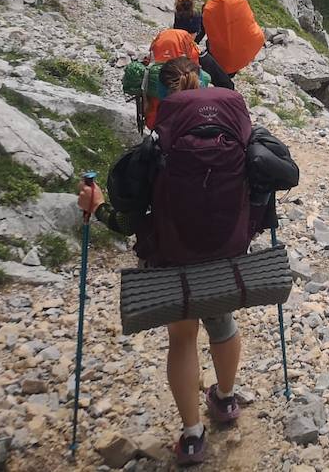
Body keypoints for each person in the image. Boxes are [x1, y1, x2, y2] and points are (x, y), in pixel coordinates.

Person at [78, 57, 247, 467]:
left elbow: (127, 221)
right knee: (223, 325)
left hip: (174, 259)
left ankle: (192, 436)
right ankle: (224, 400)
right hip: (225, 253)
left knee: (183, 338)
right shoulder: (232, 134)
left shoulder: (154, 151)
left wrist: (97, 206)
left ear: (157, 103)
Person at [200, 0, 264, 90]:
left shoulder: (208, 8)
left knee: (210, 54)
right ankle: (228, 76)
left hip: (224, 56)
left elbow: (203, 31)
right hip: (245, 48)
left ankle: (222, 79)